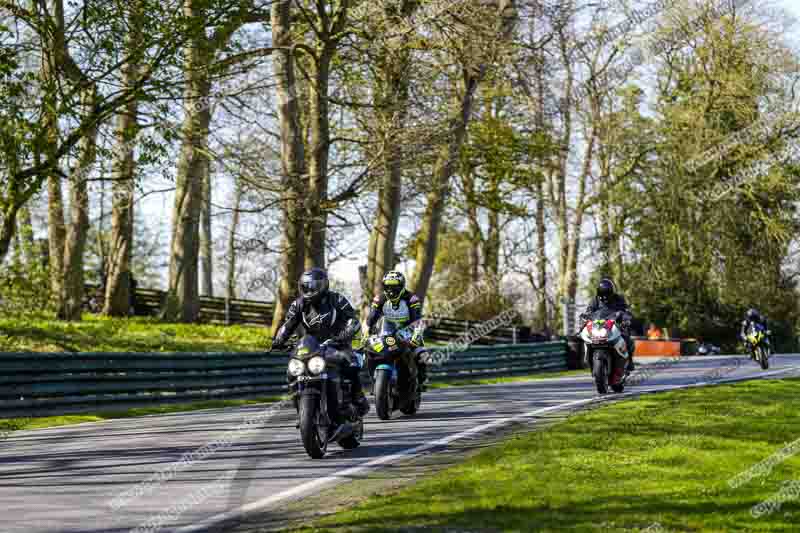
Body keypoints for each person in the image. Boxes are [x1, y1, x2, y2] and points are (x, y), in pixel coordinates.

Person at [271, 268, 370, 426]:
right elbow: (287, 325)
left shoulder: (337, 299)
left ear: (323, 285)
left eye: (313, 286)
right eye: (305, 286)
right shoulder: (298, 304)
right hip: (310, 347)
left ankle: (357, 398)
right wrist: (278, 340)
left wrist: (345, 334)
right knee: (292, 371)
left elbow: (353, 320)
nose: (309, 290)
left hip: (337, 344)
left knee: (350, 364)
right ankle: (302, 411)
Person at [366, 270, 428, 389]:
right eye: (387, 287)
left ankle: (422, 380)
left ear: (401, 287)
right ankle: (375, 381)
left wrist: (416, 336)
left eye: (394, 287)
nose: (391, 291)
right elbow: (370, 320)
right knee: (369, 351)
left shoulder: (411, 299)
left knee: (421, 354)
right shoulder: (379, 299)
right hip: (385, 332)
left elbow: (418, 319)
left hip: (408, 332)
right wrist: (366, 334)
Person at [579, 278, 636, 372]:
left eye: (607, 293)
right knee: (583, 336)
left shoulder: (619, 298)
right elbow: (589, 311)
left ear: (612, 292)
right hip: (599, 325)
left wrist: (626, 318)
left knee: (627, 337)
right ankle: (586, 359)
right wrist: (585, 319)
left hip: (615, 323)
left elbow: (625, 310)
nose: (605, 297)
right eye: (603, 294)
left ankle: (629, 360)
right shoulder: (595, 300)